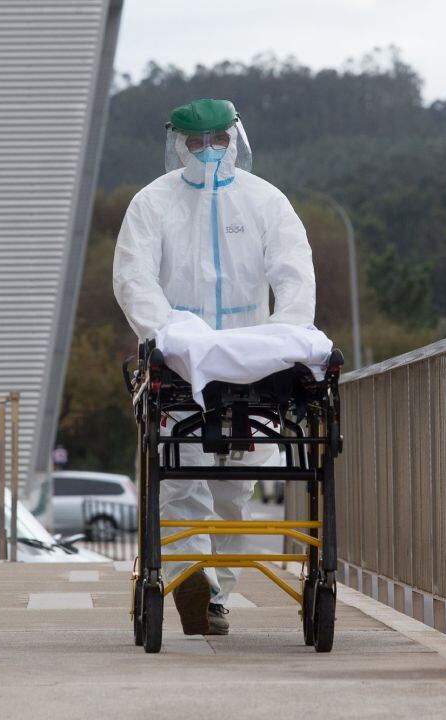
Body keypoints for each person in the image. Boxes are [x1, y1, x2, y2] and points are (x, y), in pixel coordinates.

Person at [112, 98, 316, 635]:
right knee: (180, 480)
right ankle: (196, 584)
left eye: (217, 141)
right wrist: (171, 337)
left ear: (234, 139)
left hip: (253, 365)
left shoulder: (265, 202)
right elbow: (135, 278)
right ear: (178, 144)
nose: (207, 152)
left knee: (234, 486)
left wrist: (285, 338)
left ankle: (218, 586)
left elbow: (294, 273)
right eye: (196, 143)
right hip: (183, 367)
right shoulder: (153, 204)